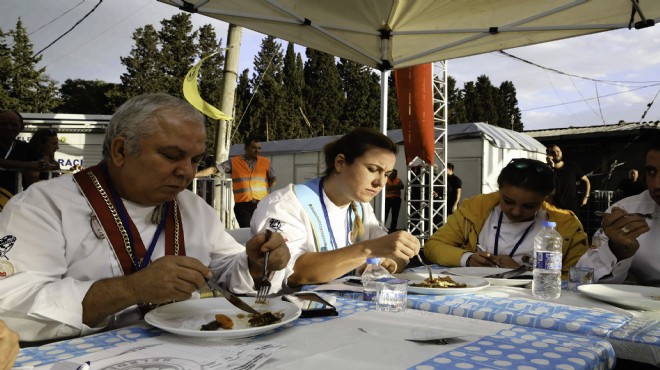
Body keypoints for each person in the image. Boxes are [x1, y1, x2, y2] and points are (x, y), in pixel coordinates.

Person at [0, 94, 290, 342]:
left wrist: (254, 263)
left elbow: (223, 269)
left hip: (190, 347)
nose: (187, 173)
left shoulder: (192, 206)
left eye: (195, 160)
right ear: (121, 150)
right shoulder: (43, 205)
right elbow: (11, 306)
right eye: (171, 156)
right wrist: (133, 289)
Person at [251, 128, 421, 286]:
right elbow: (294, 272)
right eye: (372, 169)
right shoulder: (286, 203)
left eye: (387, 174)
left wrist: (388, 263)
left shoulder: (361, 207)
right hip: (292, 311)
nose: (381, 182)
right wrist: (368, 250)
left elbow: (392, 254)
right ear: (340, 162)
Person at [424, 158, 588, 278]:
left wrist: (522, 272)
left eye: (529, 206)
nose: (516, 211)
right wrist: (467, 258)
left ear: (546, 198)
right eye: (508, 201)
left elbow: (575, 278)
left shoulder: (567, 227)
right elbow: (434, 246)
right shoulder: (475, 209)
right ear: (499, 190)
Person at [576, 138, 660, 285]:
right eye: (651, 172)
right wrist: (617, 251)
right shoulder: (626, 213)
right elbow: (581, 277)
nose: (657, 184)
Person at [196, 137, 276, 227]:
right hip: (243, 206)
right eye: (254, 148)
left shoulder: (265, 162)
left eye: (259, 148)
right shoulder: (234, 162)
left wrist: (268, 187)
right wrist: (194, 175)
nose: (257, 150)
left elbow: (272, 178)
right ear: (246, 148)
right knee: (247, 232)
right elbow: (215, 170)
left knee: (262, 230)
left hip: (262, 204)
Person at [0, 110, 42, 195]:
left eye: (14, 124)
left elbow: (48, 161)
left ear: (21, 127)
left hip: (12, 201)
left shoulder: (25, 147)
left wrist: (45, 162)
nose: (9, 127)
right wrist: (28, 165)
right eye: (3, 124)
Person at [546, 144, 591, 214]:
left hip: (572, 207)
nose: (556, 154)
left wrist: (586, 197)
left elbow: (586, 181)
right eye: (552, 152)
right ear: (548, 155)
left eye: (558, 151)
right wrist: (551, 166)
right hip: (554, 207)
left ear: (561, 152)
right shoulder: (546, 169)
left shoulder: (571, 166)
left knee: (574, 225)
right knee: (554, 225)